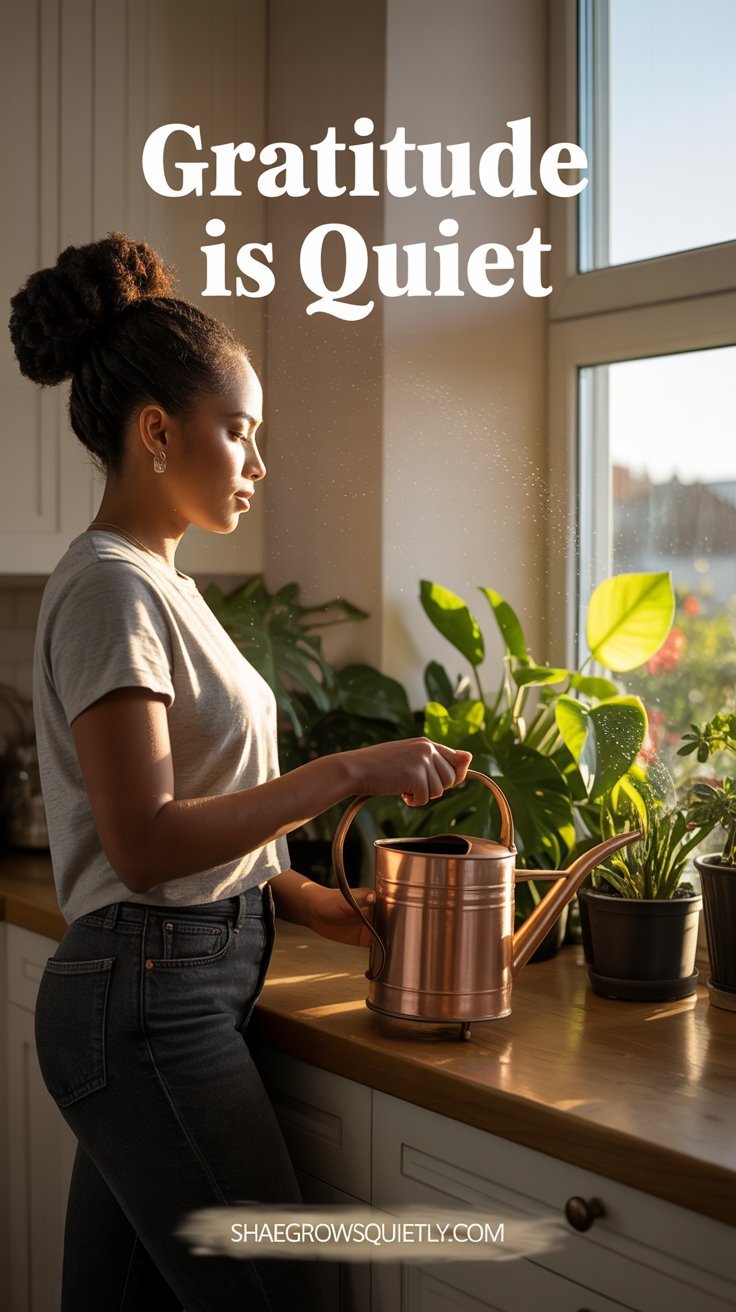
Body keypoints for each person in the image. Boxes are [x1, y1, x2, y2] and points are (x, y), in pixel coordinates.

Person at [9, 233, 472, 1312]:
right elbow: (147, 841)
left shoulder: (164, 586)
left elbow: (204, 823)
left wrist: (311, 899)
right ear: (158, 432)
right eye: (240, 432)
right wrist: (349, 767)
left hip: (173, 985)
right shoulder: (111, 590)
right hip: (147, 999)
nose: (257, 464)